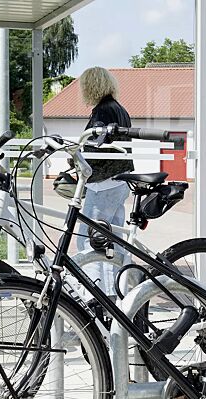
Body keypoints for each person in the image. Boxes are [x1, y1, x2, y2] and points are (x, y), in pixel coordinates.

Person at [76, 67, 134, 294]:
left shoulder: (102, 112)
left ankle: (95, 293)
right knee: (114, 239)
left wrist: (78, 159)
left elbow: (96, 147)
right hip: (119, 181)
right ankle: (117, 291)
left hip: (103, 183)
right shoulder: (119, 109)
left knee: (88, 239)